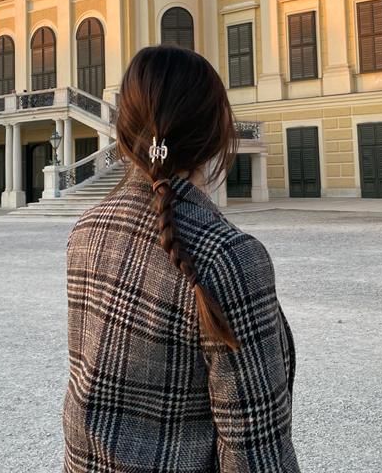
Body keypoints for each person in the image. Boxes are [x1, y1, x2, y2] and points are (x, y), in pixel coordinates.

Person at [63, 45, 299, 472]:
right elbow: (255, 451)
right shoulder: (229, 258)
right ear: (216, 132)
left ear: (124, 131)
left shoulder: (86, 230)